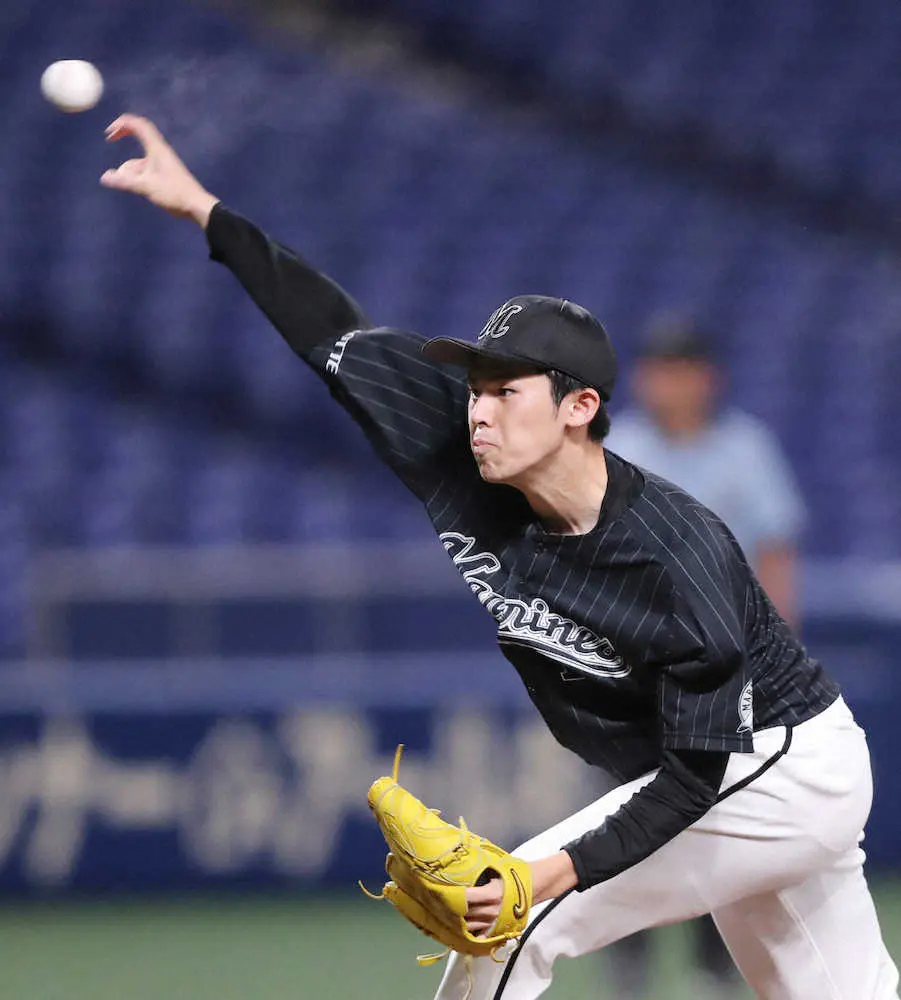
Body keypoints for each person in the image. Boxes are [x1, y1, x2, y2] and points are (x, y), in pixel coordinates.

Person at [100, 115, 899, 1000]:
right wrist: (207, 212)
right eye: (475, 387)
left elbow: (690, 783)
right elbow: (331, 331)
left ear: (577, 407)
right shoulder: (459, 439)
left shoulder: (677, 555)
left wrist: (538, 876)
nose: (479, 410)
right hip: (729, 771)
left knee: (505, 920)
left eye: (504, 390)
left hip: (775, 765)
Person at [603, 319, 809, 997]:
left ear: (706, 377)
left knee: (724, 822)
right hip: (638, 671)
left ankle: (715, 970)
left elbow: (775, 555)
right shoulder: (619, 448)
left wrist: (775, 657)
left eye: (680, 367)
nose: (667, 381)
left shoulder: (744, 449)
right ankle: (628, 968)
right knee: (627, 818)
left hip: (725, 671)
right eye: (657, 367)